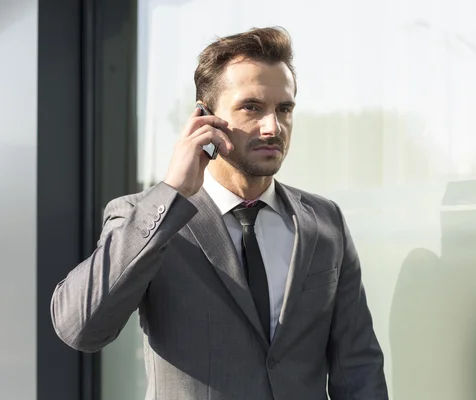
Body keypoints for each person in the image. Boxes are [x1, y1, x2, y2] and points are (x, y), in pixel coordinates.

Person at [50, 27, 388, 400]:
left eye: (284, 109)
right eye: (252, 107)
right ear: (204, 118)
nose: (272, 127)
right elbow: (80, 328)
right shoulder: (145, 216)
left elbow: (358, 368)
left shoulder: (326, 223)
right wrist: (172, 192)